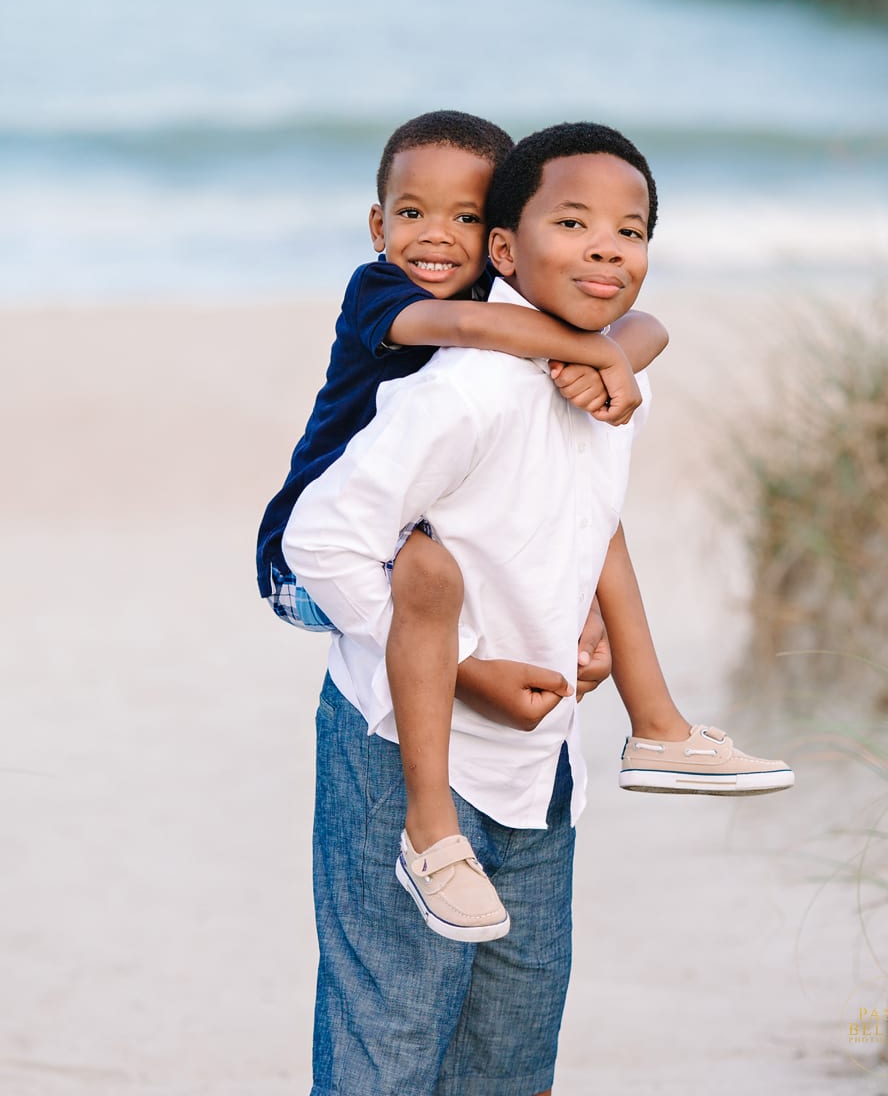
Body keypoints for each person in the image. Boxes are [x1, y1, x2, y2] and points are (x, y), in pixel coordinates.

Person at [283, 122, 794, 1096]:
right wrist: (465, 666)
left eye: (631, 229)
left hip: (538, 763)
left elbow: (564, 518)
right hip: (399, 745)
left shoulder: (604, 385)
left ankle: (661, 724)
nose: (608, 246)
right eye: (574, 222)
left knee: (511, 1061)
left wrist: (581, 628)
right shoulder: (463, 388)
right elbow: (318, 542)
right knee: (387, 1053)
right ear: (509, 251)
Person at [257, 111, 670, 939]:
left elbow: (652, 325)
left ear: (503, 239)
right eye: (411, 214)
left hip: (400, 526)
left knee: (579, 512)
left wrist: (616, 351)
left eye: (467, 218)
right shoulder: (386, 292)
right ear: (379, 225)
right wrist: (597, 351)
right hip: (301, 562)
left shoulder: (500, 299)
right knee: (426, 569)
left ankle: (659, 718)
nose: (436, 238)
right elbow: (477, 329)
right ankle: (432, 819)